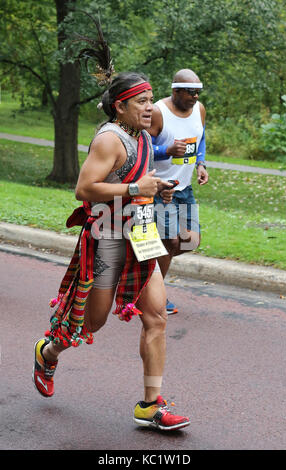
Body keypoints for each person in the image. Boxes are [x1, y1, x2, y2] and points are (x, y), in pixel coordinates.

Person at [32, 72, 190, 431]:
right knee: (92, 322)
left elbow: (138, 182)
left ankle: (150, 406)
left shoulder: (144, 136)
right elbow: (84, 189)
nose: (150, 108)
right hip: (108, 237)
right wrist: (137, 187)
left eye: (152, 100)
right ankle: (48, 351)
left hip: (143, 235)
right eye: (142, 102)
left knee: (156, 317)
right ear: (120, 107)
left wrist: (156, 190)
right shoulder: (110, 139)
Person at [148, 69, 209, 315]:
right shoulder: (157, 112)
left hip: (184, 188)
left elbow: (200, 138)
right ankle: (154, 295)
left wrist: (201, 163)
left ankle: (143, 271)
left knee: (190, 240)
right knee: (169, 240)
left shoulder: (199, 109)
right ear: (175, 91)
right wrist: (166, 151)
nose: (195, 97)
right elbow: (139, 149)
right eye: (190, 92)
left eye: (198, 92)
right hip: (159, 188)